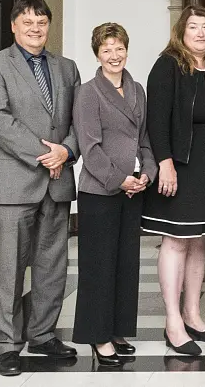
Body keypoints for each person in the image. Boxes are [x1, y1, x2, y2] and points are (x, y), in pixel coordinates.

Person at [0, 0, 80, 377]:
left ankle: (43, 334)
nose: (36, 29)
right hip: (15, 180)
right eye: (28, 22)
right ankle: (7, 343)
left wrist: (66, 152)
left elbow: (77, 121)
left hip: (57, 180)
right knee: (11, 267)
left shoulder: (66, 68)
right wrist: (45, 154)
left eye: (41, 22)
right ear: (14, 26)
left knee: (53, 265)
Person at [141, 6, 205, 356]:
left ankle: (193, 314)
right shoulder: (168, 65)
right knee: (177, 240)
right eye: (193, 27)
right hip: (181, 165)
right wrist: (165, 163)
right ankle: (172, 322)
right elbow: (156, 120)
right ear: (181, 32)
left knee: (199, 241)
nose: (200, 33)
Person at [71, 23, 158, 365]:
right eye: (106, 49)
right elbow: (89, 149)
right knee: (99, 266)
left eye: (118, 48)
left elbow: (145, 139)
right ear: (97, 54)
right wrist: (120, 179)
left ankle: (117, 329)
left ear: (127, 49)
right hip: (100, 192)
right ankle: (97, 337)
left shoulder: (137, 89)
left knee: (125, 264)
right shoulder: (88, 93)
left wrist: (147, 173)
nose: (114, 55)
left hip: (133, 191)